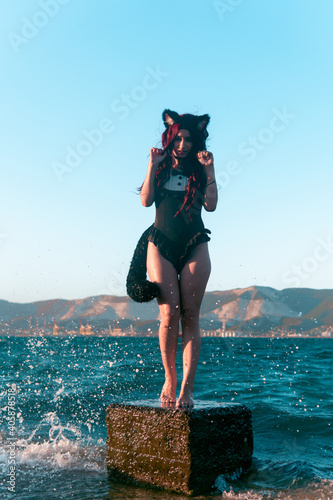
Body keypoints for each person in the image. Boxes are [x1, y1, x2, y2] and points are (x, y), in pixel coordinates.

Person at [128, 109, 218, 407]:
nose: (183, 144)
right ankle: (170, 378)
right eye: (178, 138)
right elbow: (145, 201)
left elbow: (212, 205)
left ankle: (188, 390)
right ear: (170, 137)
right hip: (160, 242)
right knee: (169, 315)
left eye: (188, 139)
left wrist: (211, 171)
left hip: (194, 243)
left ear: (196, 140)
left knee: (190, 314)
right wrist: (152, 165)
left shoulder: (200, 166)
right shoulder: (161, 164)